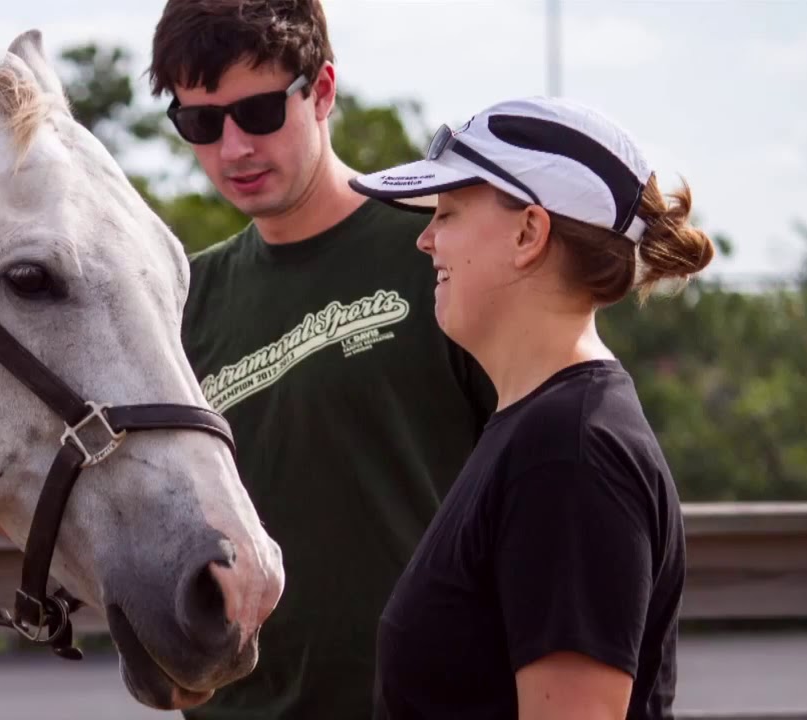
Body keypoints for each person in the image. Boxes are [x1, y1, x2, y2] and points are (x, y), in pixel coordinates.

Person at [146, 1, 497, 718]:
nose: (234, 148)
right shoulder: (181, 300)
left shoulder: (439, 251)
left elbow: (553, 482)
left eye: (260, 112)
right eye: (201, 124)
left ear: (324, 90)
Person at [349, 95, 712, 719]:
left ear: (529, 233)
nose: (425, 239)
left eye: (448, 212)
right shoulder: (541, 431)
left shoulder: (570, 453)